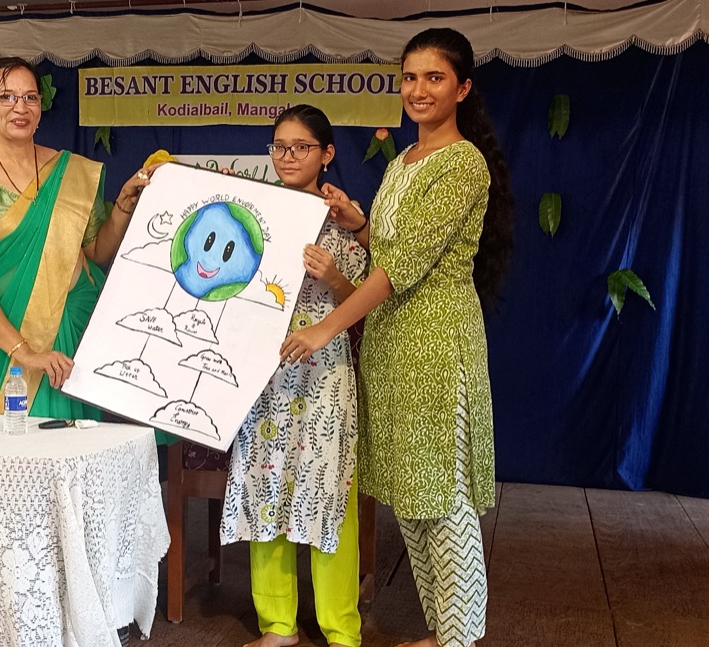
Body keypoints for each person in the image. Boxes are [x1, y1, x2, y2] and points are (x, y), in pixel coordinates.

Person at [280, 28, 516, 647]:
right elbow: (386, 249)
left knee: (444, 498)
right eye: (410, 77)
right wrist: (358, 224)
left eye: (434, 77)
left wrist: (325, 328)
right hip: (391, 348)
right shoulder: (404, 161)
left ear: (462, 89)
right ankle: (441, 631)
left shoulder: (462, 163)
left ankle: (459, 636)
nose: (418, 89)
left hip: (436, 346)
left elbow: (399, 267)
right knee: (412, 496)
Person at [220, 105, 368, 647]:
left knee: (329, 492)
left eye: (301, 147)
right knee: (266, 485)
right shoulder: (255, 213)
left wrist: (333, 278)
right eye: (279, 146)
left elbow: (366, 301)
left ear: (326, 154)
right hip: (264, 374)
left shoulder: (344, 219)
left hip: (325, 374)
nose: (287, 156)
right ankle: (277, 624)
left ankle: (341, 628)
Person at [0, 57, 155, 417]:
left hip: (73, 342)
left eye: (30, 97)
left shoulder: (69, 171)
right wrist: (26, 353)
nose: (20, 107)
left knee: (80, 446)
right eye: (7, 97)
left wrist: (123, 207)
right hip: (5, 357)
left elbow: (97, 252)